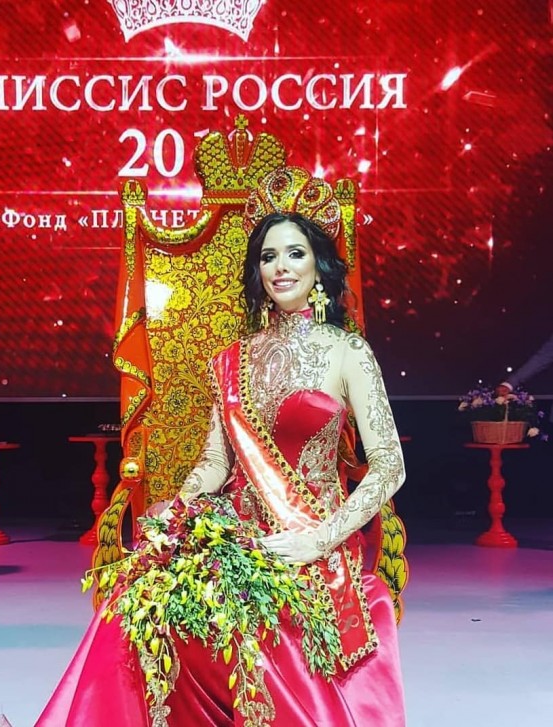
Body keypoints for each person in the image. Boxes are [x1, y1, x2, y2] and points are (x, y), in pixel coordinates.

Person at [35, 168, 406, 727]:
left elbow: (389, 465)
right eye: (268, 256)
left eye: (295, 253)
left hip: (311, 537)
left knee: (256, 624)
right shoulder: (231, 359)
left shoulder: (347, 352)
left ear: (319, 268)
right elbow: (215, 460)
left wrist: (317, 539)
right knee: (136, 601)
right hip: (232, 534)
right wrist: (179, 510)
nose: (280, 267)